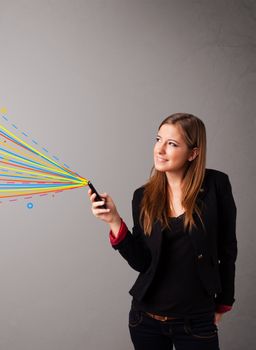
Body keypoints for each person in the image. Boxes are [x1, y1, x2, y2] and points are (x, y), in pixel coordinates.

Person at [88, 113, 237, 350]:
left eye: (172, 144)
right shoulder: (143, 196)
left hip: (196, 321)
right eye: (158, 139)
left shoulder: (216, 186)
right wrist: (114, 221)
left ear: (193, 153)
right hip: (145, 320)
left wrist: (224, 302)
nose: (160, 149)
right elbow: (142, 262)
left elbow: (228, 249)